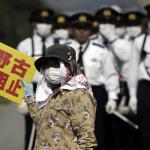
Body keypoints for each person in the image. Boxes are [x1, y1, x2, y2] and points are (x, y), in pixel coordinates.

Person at [21, 44, 97, 150]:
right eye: (47, 65)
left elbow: (86, 139)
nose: (51, 69)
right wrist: (29, 97)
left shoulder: (79, 95)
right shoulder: (50, 93)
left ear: (69, 66)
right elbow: (42, 121)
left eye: (56, 64)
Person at [67, 12, 119, 150]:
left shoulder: (100, 50)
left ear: (91, 30)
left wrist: (112, 97)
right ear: (72, 30)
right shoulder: (63, 49)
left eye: (85, 28)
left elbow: (110, 74)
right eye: (78, 28)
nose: (82, 31)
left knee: (97, 133)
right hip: (70, 93)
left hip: (95, 93)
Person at [17, 8, 55, 150]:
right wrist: (22, 99)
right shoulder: (25, 45)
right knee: (32, 131)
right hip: (33, 90)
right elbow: (18, 75)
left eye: (48, 22)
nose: (45, 25)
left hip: (54, 89)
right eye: (41, 21)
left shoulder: (60, 43)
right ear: (33, 24)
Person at [128, 4, 150, 150]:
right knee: (146, 131)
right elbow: (133, 69)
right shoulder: (140, 40)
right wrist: (132, 95)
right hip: (145, 88)